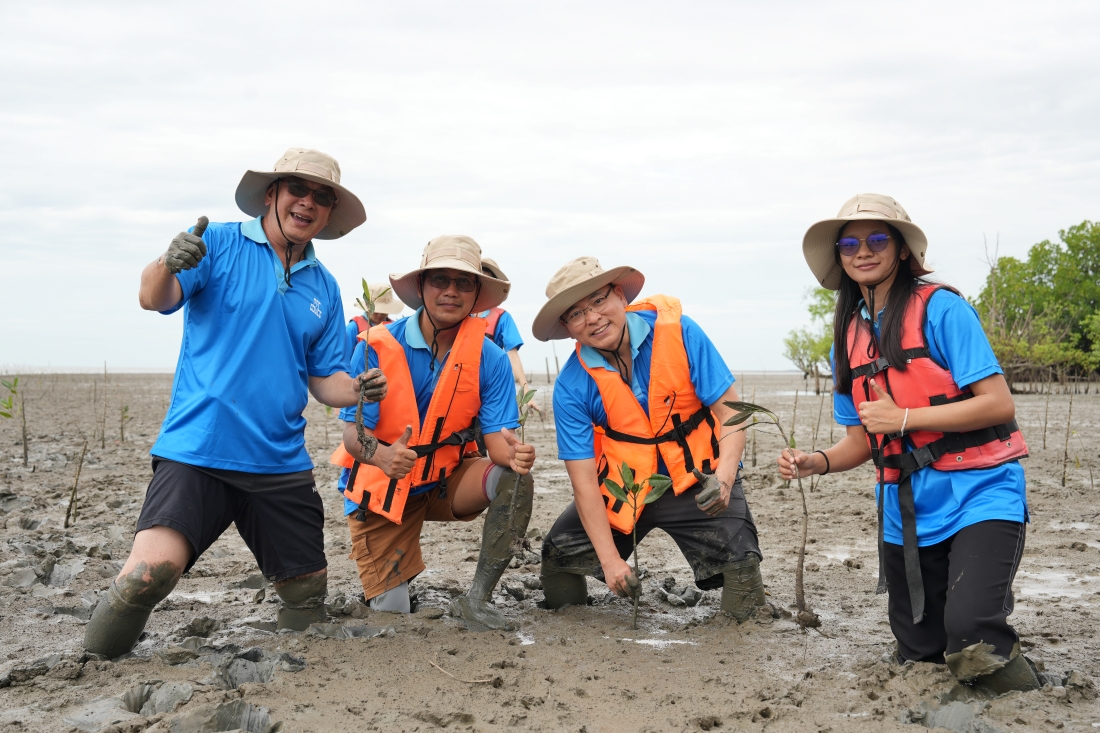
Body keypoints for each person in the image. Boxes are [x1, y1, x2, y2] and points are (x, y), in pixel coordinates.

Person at [84, 148, 387, 659]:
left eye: (321, 197)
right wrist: (166, 261)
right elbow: (152, 297)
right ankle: (90, 667)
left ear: (328, 212)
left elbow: (325, 379)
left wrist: (358, 390)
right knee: (146, 577)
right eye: (297, 189)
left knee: (307, 593)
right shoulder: (218, 242)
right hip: (199, 448)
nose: (307, 202)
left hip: (279, 460)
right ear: (272, 195)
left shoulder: (324, 286)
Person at [777, 193, 1037, 695]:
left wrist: (905, 417)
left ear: (900, 249)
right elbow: (858, 441)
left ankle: (1017, 701)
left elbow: (999, 404)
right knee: (918, 649)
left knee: (970, 634)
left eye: (877, 239)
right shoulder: (849, 336)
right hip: (907, 507)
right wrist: (817, 461)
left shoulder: (942, 308)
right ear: (839, 257)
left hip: (982, 492)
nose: (863, 251)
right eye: (849, 243)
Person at [533, 257, 765, 621]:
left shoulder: (683, 333)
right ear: (567, 327)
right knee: (559, 555)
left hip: (699, 480)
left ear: (620, 294)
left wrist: (724, 479)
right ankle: (572, 622)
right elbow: (584, 485)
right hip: (626, 488)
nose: (592, 318)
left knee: (741, 556)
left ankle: (742, 621)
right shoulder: (571, 386)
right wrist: (610, 563)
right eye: (576, 314)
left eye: (597, 301)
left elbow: (732, 415)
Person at [330, 236, 536, 631]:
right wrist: (382, 456)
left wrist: (512, 455)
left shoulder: (489, 357)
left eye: (464, 283)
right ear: (421, 286)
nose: (451, 292)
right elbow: (353, 437)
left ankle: (476, 600)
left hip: (444, 481)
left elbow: (496, 440)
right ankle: (396, 574)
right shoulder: (375, 347)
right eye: (440, 280)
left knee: (514, 477)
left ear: (477, 294)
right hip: (384, 489)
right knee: (392, 612)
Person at [475, 258, 542, 415]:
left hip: (492, 385)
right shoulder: (459, 315)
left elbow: (513, 356)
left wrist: (526, 393)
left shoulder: (503, 318)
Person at [346, 282, 405, 357]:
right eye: (376, 311)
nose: (380, 314)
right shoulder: (353, 328)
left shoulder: (395, 328)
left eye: (383, 310)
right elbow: (344, 357)